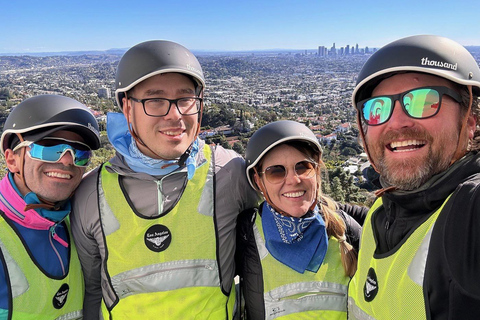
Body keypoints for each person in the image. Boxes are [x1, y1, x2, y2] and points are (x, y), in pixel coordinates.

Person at [70, 40, 259, 319]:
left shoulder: (228, 171)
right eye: (155, 100)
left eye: (186, 99)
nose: (175, 115)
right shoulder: (91, 194)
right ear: (127, 107)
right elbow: (91, 291)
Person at [348, 34, 480, 319]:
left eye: (422, 101)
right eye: (377, 108)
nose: (396, 122)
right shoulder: (379, 215)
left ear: (470, 121)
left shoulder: (468, 213)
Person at [236, 120, 363, 319]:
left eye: (303, 167)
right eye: (276, 171)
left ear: (317, 172)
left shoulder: (346, 230)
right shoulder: (246, 235)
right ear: (258, 180)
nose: (293, 180)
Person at [0, 94, 100, 319]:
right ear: (12, 159)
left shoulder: (82, 217)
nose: (67, 160)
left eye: (80, 153)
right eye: (49, 147)